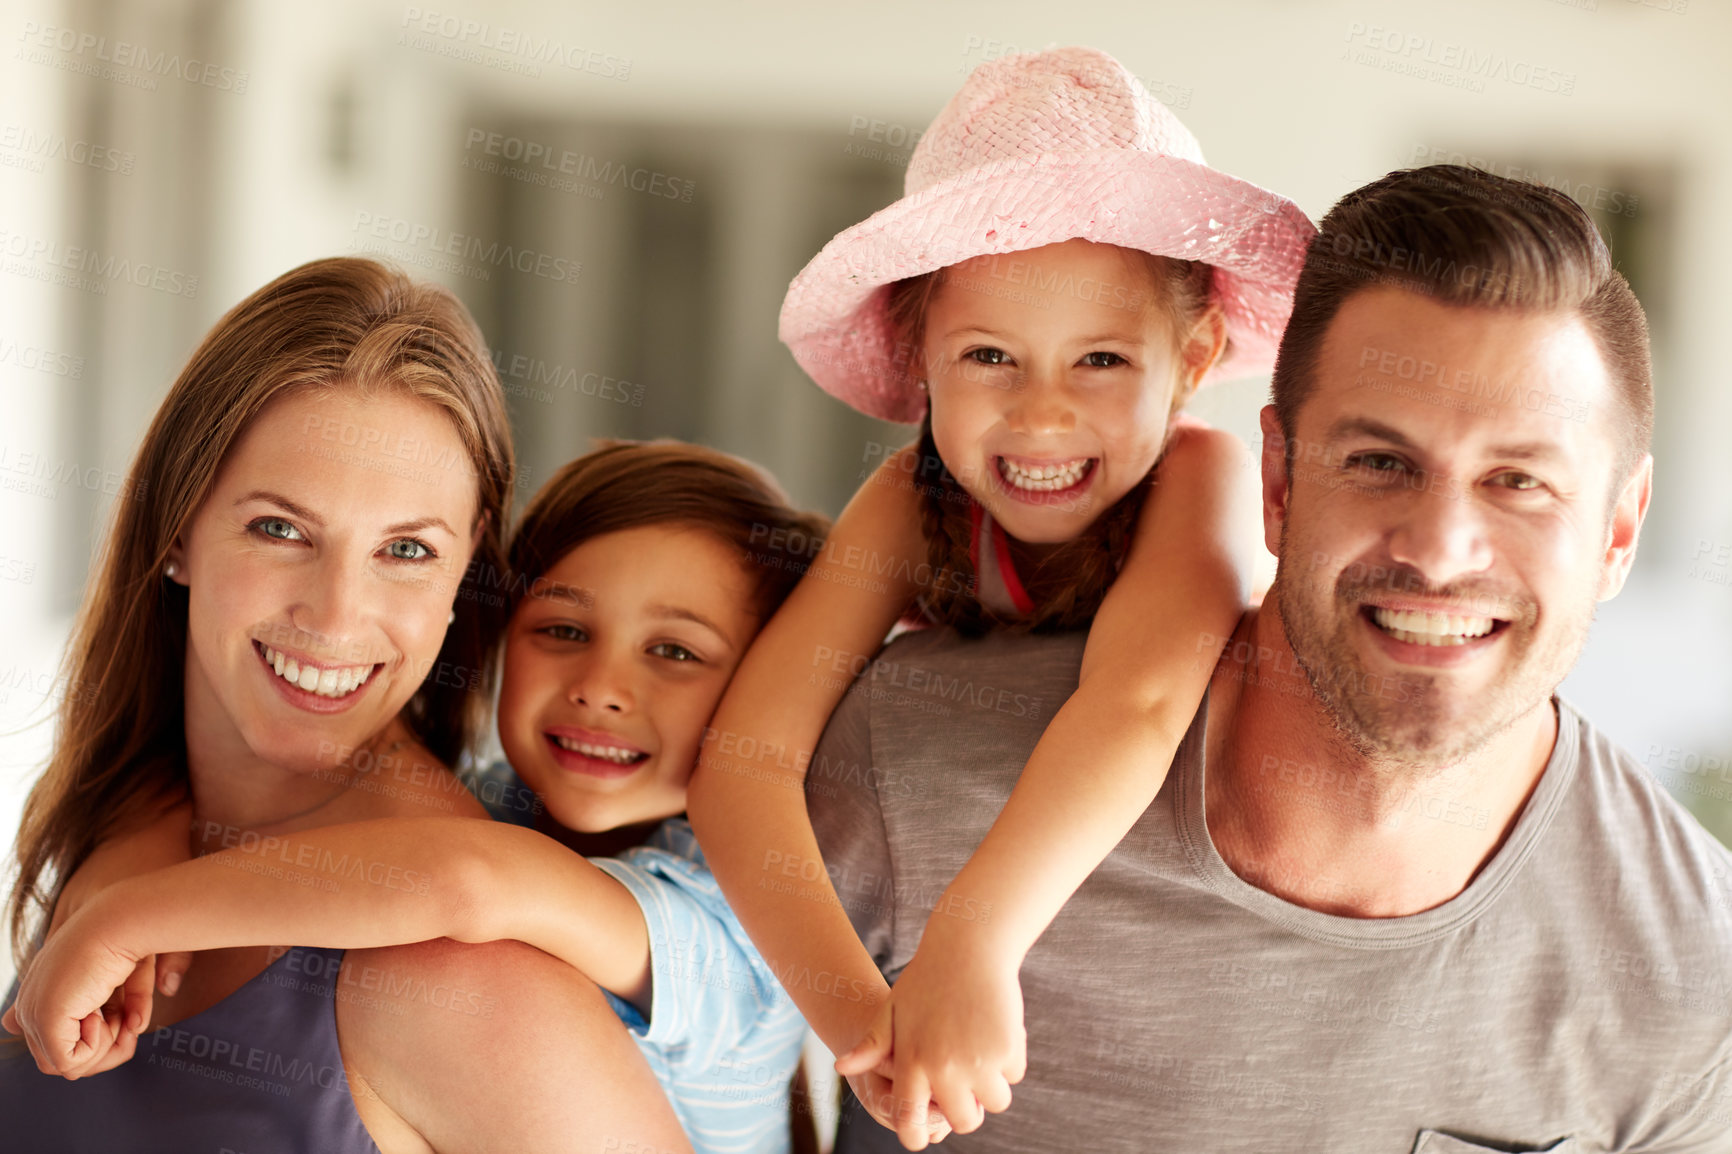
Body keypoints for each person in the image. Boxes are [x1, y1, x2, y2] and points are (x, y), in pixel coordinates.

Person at [807, 162, 1732, 1152]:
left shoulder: (1691, 981)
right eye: (1380, 463)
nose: (1436, 547)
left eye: (1518, 481)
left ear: (1618, 530)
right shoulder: (906, 769)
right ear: (1280, 483)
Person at [685, 46, 1313, 1146]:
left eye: (1102, 362)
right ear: (916, 356)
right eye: (988, 356)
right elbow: (745, 759)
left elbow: (1137, 703)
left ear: (1196, 356)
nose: (1041, 416)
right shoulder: (908, 496)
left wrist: (970, 942)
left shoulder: (1198, 479)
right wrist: (864, 1021)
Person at [0, 258, 691, 1154]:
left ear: (465, 568)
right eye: (280, 529)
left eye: (405, 550)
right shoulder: (134, 825)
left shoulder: (467, 989)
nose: (333, 617)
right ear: (177, 529)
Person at [7, 440, 830, 1154]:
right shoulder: (493, 794)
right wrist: (129, 848)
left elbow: (467, 880)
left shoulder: (739, 918)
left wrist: (134, 917)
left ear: (757, 691)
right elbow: (190, 776)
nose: (602, 688)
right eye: (564, 631)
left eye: (675, 652)